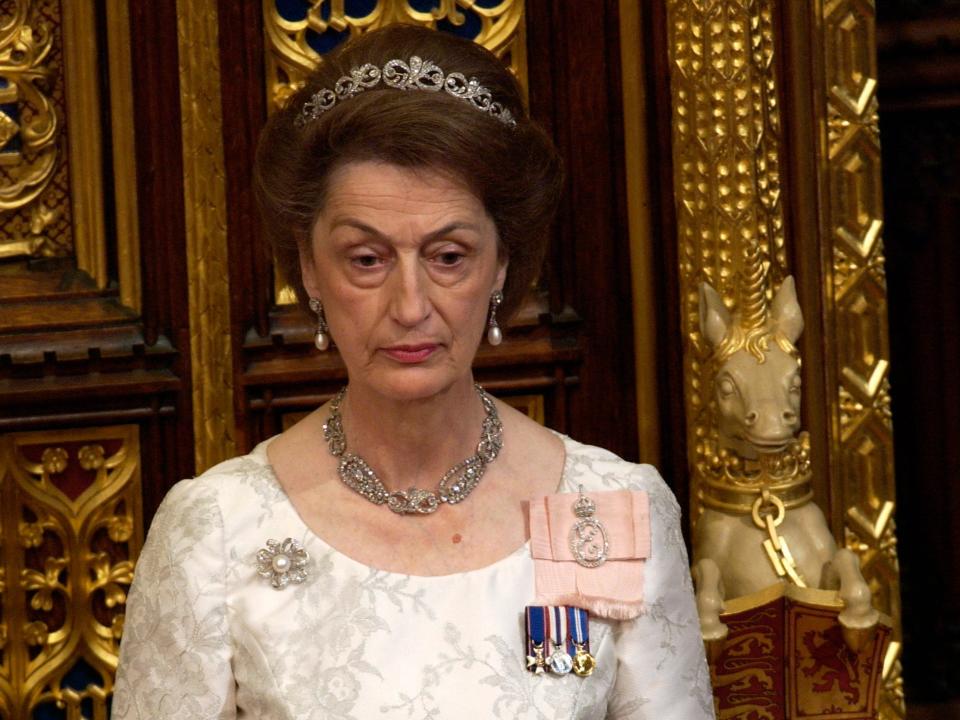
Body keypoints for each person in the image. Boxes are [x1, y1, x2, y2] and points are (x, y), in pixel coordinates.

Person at [113, 24, 714, 720]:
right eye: (366, 259)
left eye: (448, 256)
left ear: (503, 263)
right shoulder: (218, 530)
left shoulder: (606, 508)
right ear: (309, 269)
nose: (409, 306)